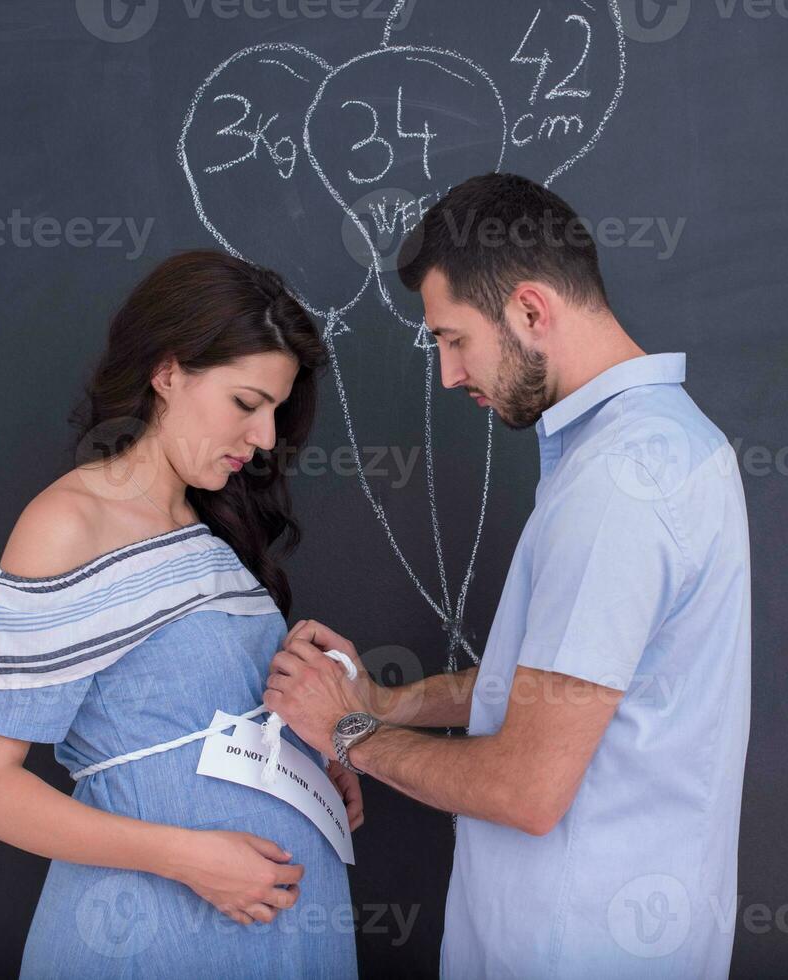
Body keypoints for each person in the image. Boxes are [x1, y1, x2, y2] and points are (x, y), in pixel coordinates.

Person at [264, 172, 752, 979]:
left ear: (529, 310)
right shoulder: (659, 445)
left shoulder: (618, 484)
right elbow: (559, 689)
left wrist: (345, 733)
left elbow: (527, 788)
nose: (450, 375)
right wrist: (385, 702)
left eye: (453, 339)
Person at [0, 250, 361, 978]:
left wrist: (315, 750)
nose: (265, 438)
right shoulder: (69, 524)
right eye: (245, 403)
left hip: (280, 928)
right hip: (151, 929)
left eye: (275, 410)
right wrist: (188, 857)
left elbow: (187, 720)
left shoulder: (209, 529)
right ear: (167, 372)